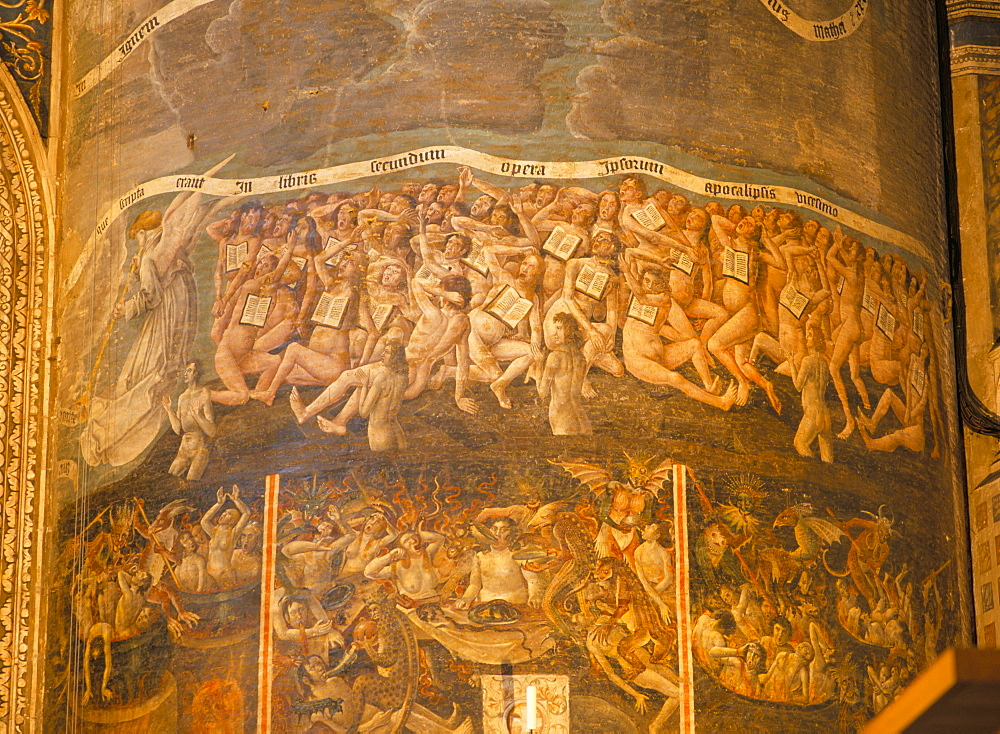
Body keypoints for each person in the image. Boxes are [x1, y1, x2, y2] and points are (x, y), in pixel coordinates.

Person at [456, 517, 539, 609]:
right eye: (494, 529)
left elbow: (532, 581)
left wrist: (534, 595)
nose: (497, 534)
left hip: (515, 605)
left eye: (504, 530)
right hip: (484, 605)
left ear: (511, 533)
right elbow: (475, 584)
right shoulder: (480, 556)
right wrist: (466, 598)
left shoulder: (519, 555)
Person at [538, 312, 592, 435]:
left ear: (568, 330)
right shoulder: (581, 357)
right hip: (583, 421)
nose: (554, 333)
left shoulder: (555, 357)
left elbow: (542, 393)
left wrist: (538, 364)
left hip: (563, 421)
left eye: (559, 328)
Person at [162, 360, 216, 481]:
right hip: (184, 449)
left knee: (191, 484)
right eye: (185, 371)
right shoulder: (182, 397)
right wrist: (169, 410)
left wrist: (197, 415)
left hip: (199, 449)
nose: (185, 374)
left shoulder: (203, 392)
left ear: (196, 373)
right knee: (170, 479)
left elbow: (211, 431)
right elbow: (177, 430)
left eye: (189, 370)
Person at [200, 486, 251, 589]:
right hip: (210, 574)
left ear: (232, 521)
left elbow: (246, 513)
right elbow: (204, 521)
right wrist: (218, 504)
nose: (223, 515)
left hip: (225, 574)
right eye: (224, 512)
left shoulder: (233, 534)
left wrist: (236, 500)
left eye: (228, 514)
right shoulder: (214, 532)